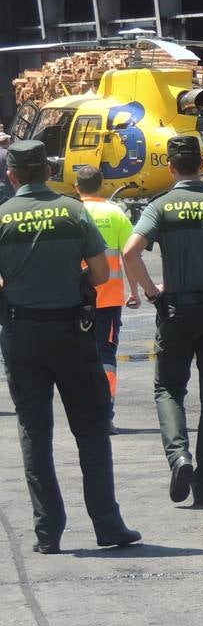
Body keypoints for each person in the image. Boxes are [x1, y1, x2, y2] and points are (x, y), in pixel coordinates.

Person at [0, 139, 141, 553]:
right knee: (92, 428)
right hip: (71, 333)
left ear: (11, 176)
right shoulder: (75, 211)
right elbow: (99, 275)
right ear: (48, 171)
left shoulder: (2, 217)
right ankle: (107, 524)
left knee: (34, 430)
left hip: (21, 334)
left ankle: (48, 532)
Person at [123, 136, 203, 507]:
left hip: (176, 310)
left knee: (168, 389)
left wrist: (151, 293)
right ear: (202, 165)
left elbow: (129, 252)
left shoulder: (160, 206)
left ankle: (179, 457)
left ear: (170, 167)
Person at [75, 166, 139, 434]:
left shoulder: (72, 212)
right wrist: (134, 292)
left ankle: (82, 414)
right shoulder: (115, 213)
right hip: (110, 299)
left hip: (76, 299)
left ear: (77, 187)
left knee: (77, 357)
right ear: (101, 185)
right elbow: (130, 254)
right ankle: (105, 414)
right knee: (106, 357)